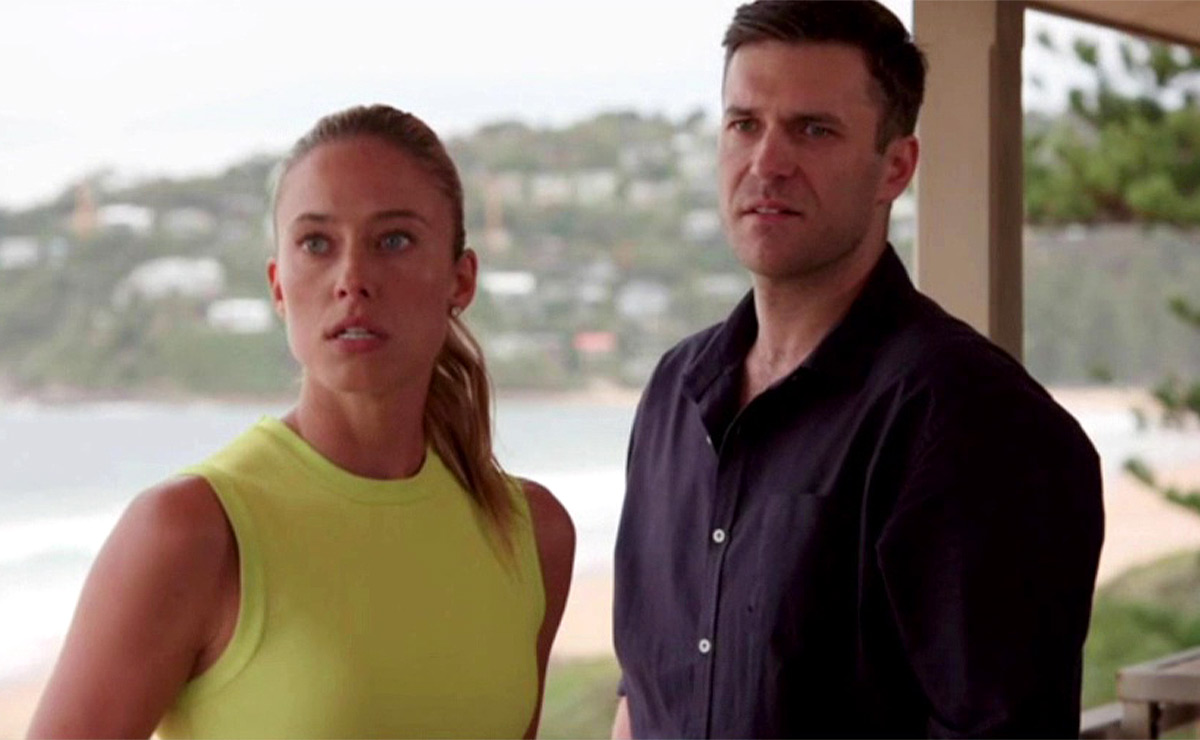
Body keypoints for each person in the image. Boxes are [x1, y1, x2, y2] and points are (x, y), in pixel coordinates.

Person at [611, 1, 1104, 737]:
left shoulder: (978, 421)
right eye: (744, 124)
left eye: (814, 130)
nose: (767, 163)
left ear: (895, 168)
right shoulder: (673, 395)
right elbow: (643, 700)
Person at [28, 104, 575, 739]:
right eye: (316, 244)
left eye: (394, 240)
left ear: (461, 280)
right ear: (278, 285)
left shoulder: (532, 535)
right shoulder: (192, 532)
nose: (352, 279)